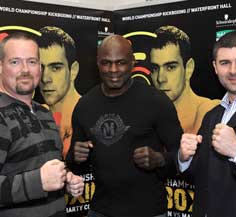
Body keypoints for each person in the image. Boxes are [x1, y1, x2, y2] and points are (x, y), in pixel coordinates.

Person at [66, 35, 183, 217]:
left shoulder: (157, 102)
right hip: (101, 210)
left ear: (132, 63)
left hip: (149, 212)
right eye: (106, 63)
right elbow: (75, 166)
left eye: (121, 63)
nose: (113, 70)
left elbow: (182, 159)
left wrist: (160, 160)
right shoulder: (85, 105)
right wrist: (75, 157)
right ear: (97, 63)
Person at [0, 32, 84, 217]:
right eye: (15, 62)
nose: (25, 70)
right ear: (0, 66)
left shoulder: (44, 113)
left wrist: (66, 180)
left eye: (32, 62)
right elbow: (40, 179)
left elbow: (44, 169)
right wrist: (38, 182)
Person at [178, 31, 236, 217]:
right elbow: (203, 176)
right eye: (225, 63)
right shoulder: (213, 115)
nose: (233, 70)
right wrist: (185, 158)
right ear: (215, 67)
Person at [150, 25, 220, 134]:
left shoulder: (211, 110)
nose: (160, 78)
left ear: (189, 68)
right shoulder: (149, 116)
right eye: (155, 68)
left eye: (170, 67)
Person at [37, 26, 81, 158]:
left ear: (73, 70)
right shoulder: (33, 117)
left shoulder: (92, 114)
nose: (45, 78)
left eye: (55, 68)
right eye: (40, 67)